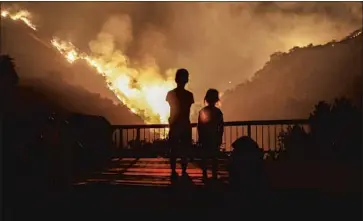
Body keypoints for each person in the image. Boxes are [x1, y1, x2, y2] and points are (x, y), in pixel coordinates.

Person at [166, 68, 194, 178]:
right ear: (186, 80)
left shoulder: (170, 94)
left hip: (174, 123)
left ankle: (173, 170)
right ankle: (184, 169)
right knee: (184, 149)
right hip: (185, 124)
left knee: (174, 148)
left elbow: (172, 107)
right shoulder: (189, 95)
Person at [197, 89, 224, 181]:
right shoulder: (218, 112)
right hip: (214, 137)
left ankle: (204, 175)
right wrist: (219, 137)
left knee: (204, 157)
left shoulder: (202, 111)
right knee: (214, 157)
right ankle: (214, 175)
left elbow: (200, 126)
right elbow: (221, 126)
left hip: (205, 137)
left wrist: (200, 137)